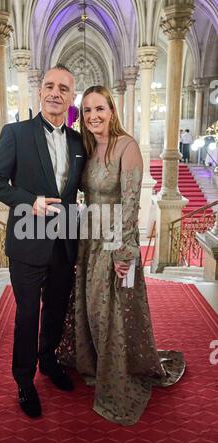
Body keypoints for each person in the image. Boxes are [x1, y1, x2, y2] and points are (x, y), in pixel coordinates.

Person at [74, 85, 185, 425]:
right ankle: (94, 364)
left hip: (117, 242)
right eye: (88, 110)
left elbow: (131, 203)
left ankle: (121, 373)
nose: (94, 116)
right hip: (89, 240)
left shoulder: (128, 146)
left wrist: (125, 253)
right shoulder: (88, 147)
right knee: (93, 308)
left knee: (114, 312)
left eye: (100, 109)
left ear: (112, 110)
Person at [0, 64, 86, 418]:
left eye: (63, 88)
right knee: (28, 314)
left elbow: (79, 190)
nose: (55, 93)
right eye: (49, 86)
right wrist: (31, 201)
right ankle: (24, 382)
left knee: (56, 309)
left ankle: (49, 362)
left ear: (72, 98)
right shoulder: (16, 133)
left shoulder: (78, 141)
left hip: (63, 243)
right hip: (27, 242)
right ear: (40, 91)